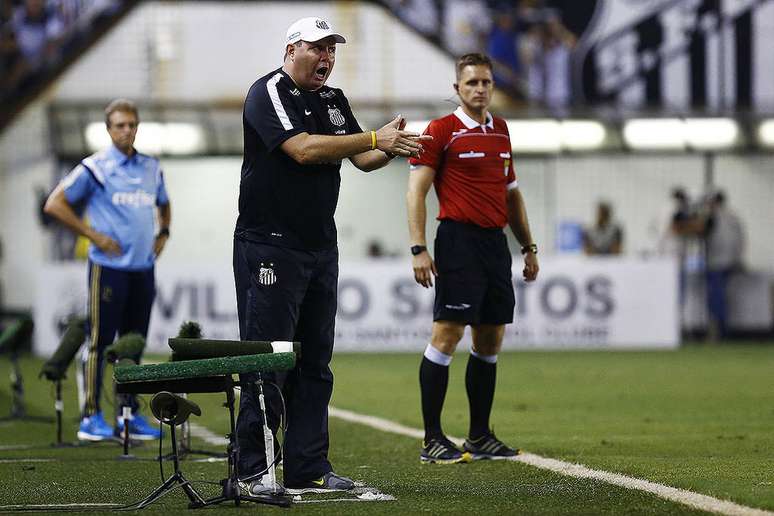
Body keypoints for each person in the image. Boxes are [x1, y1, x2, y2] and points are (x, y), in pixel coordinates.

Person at [233, 16, 430, 495]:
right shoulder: (269, 92)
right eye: (319, 48)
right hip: (270, 245)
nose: (327, 58)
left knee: (316, 362)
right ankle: (253, 470)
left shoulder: (332, 99)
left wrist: (395, 146)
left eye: (332, 51)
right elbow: (301, 149)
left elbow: (363, 159)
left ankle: (307, 467)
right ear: (291, 49)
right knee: (269, 358)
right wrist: (371, 139)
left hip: (320, 246)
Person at [407, 53, 539, 464]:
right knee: (447, 334)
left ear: (492, 86)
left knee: (490, 339)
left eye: (485, 82)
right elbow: (416, 191)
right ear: (457, 89)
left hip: (494, 245)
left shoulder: (500, 131)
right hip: (458, 241)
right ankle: (432, 439)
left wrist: (528, 246)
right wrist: (419, 247)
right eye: (471, 83)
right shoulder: (442, 130)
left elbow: (511, 194)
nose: (479, 89)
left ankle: (479, 436)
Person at [43, 99, 171, 441]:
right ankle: (91, 416)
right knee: (100, 343)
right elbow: (55, 204)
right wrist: (93, 234)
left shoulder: (150, 167)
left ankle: (128, 415)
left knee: (133, 344)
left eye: (131, 124)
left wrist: (164, 232)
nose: (126, 130)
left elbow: (164, 203)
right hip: (108, 268)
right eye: (119, 125)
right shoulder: (95, 168)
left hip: (143, 268)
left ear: (137, 126)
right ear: (108, 129)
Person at [703, 191, 745, 339]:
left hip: (716, 262)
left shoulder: (714, 217)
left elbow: (708, 236)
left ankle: (719, 330)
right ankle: (723, 329)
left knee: (716, 296)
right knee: (723, 295)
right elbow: (740, 240)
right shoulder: (733, 215)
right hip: (730, 262)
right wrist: (737, 259)